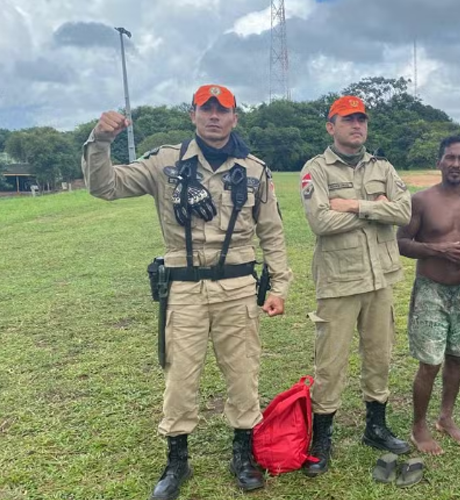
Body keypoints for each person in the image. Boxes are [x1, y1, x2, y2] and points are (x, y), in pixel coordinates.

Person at [82, 84, 292, 499]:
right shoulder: (165, 162)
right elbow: (106, 186)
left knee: (243, 372)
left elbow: (272, 231)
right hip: (184, 288)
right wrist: (100, 141)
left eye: (222, 110)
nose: (214, 116)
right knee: (180, 376)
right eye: (205, 108)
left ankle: (242, 454)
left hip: (237, 287)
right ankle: (177, 460)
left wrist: (280, 286)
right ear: (192, 115)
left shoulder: (254, 170)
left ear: (234, 118)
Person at [299, 95, 412, 476]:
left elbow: (404, 212)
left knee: (379, 355)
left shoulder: (383, 166)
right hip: (338, 281)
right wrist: (377, 208)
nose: (356, 125)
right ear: (330, 127)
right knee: (330, 363)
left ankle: (375, 427)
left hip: (380, 279)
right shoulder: (316, 168)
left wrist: (353, 205)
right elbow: (320, 222)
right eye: (347, 120)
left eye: (361, 119)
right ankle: (322, 436)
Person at [397, 135, 460, 455]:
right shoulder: (421, 200)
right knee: (429, 362)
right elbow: (401, 243)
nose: (456, 163)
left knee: (456, 357)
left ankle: (446, 417)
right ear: (439, 162)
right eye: (450, 157)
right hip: (431, 290)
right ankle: (419, 426)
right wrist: (437, 249)